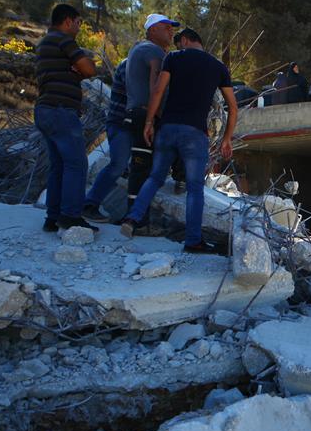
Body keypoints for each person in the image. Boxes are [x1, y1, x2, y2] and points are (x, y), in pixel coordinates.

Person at [120, 28, 237, 253]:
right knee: (194, 188)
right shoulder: (218, 67)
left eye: (178, 43)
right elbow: (232, 106)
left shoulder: (173, 58)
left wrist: (148, 122)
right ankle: (193, 240)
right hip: (195, 133)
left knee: (154, 177)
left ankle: (132, 218)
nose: (176, 47)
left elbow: (157, 92)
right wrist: (227, 138)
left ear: (184, 40)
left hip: (168, 128)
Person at [34, 4, 98, 232]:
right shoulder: (63, 40)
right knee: (77, 163)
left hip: (45, 110)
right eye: (79, 23)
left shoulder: (44, 43)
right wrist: (80, 66)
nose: (79, 28)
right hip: (61, 110)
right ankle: (71, 216)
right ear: (68, 21)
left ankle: (52, 218)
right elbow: (89, 69)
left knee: (58, 166)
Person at [121, 13, 179, 224]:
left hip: (137, 112)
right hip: (146, 114)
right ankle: (138, 222)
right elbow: (157, 84)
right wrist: (154, 117)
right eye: (166, 27)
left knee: (141, 167)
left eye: (172, 28)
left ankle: (134, 216)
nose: (171, 31)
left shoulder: (138, 49)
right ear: (153, 29)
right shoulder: (153, 51)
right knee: (142, 168)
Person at [81, 58, 131, 222]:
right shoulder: (130, 65)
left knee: (121, 166)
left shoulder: (131, 63)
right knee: (118, 165)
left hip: (123, 124)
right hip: (121, 124)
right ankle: (89, 204)